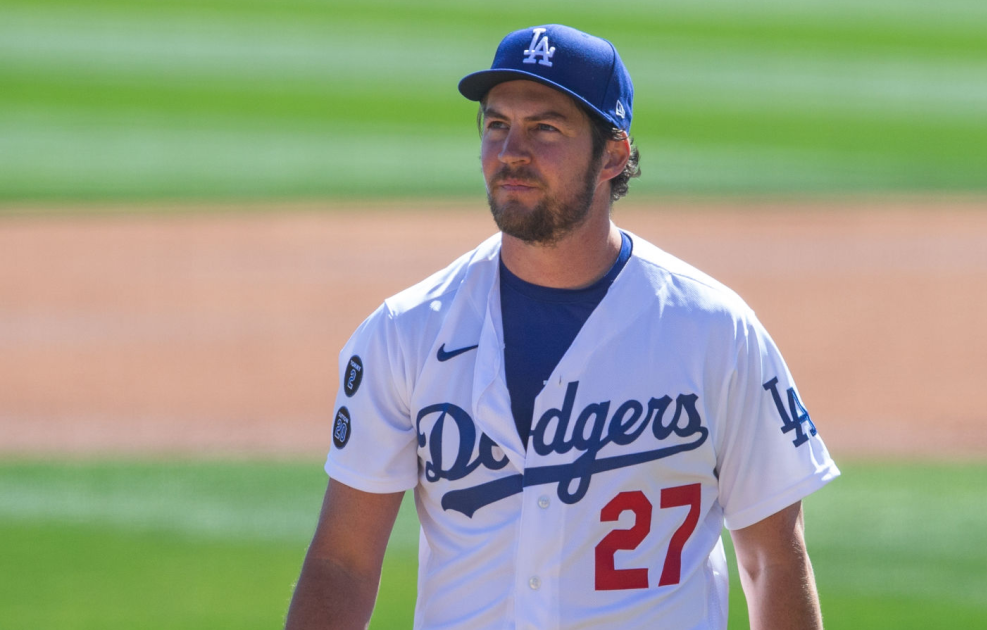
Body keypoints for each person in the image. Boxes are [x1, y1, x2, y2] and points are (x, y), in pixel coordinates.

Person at [285, 24, 838, 630]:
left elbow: (772, 562)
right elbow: (342, 563)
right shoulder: (406, 330)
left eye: (545, 128)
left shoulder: (714, 330)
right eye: (497, 125)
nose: (511, 151)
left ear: (614, 154)